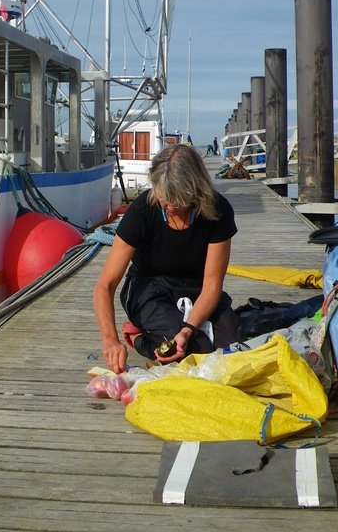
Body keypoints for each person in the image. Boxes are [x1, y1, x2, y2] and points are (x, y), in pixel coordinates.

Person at [94, 144, 245, 374]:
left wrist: (188, 329)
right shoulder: (143, 210)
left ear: (196, 191)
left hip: (197, 288)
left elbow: (212, 285)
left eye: (179, 199)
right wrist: (110, 340)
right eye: (165, 198)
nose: (171, 206)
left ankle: (175, 332)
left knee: (233, 348)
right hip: (149, 287)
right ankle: (137, 337)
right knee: (193, 349)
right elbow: (105, 285)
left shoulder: (218, 210)